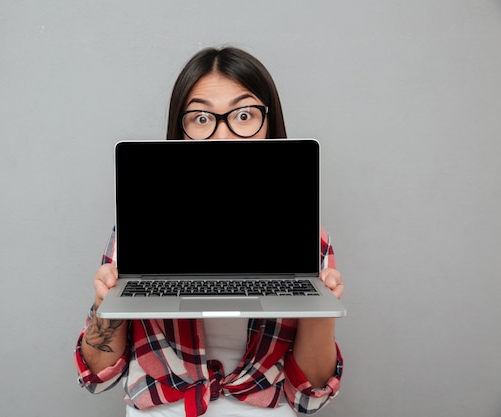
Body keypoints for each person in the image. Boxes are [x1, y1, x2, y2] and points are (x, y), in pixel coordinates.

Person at [74, 46, 344, 417]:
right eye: (201, 118)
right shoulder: (136, 232)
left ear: (269, 123)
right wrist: (107, 308)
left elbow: (309, 396)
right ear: (180, 129)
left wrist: (320, 311)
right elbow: (96, 379)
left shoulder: (309, 239)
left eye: (244, 114)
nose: (222, 136)